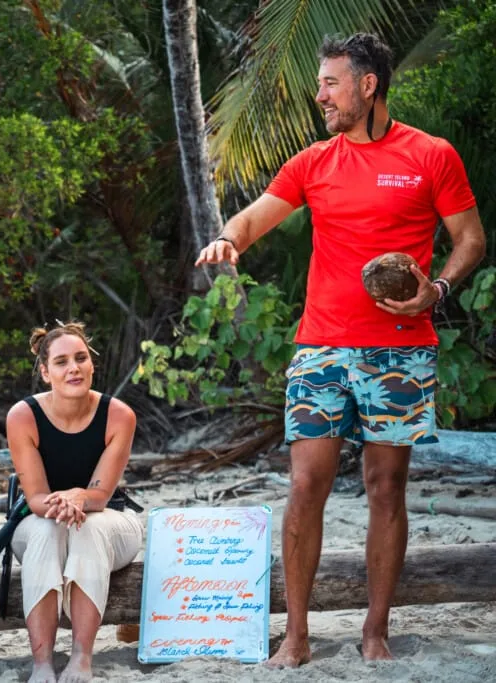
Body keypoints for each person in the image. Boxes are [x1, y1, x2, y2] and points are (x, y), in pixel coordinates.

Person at [196, 33, 486, 668]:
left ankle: (375, 630)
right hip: (322, 347)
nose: (319, 94)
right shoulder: (313, 162)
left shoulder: (430, 155)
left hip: (401, 349)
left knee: (387, 488)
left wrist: (435, 289)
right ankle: (296, 636)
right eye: (320, 83)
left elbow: (470, 238)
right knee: (306, 484)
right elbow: (256, 216)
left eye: (330, 82)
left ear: (368, 85)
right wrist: (228, 237)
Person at [5, 322, 144, 683]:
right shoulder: (23, 417)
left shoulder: (118, 415)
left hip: (112, 518)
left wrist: (79, 498)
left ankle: (82, 658)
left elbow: (100, 494)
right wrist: (63, 503)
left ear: (92, 365)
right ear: (45, 371)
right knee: (47, 531)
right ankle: (42, 664)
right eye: (62, 361)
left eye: (81, 359)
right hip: (42, 517)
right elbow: (35, 497)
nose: (74, 368)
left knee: (87, 526)